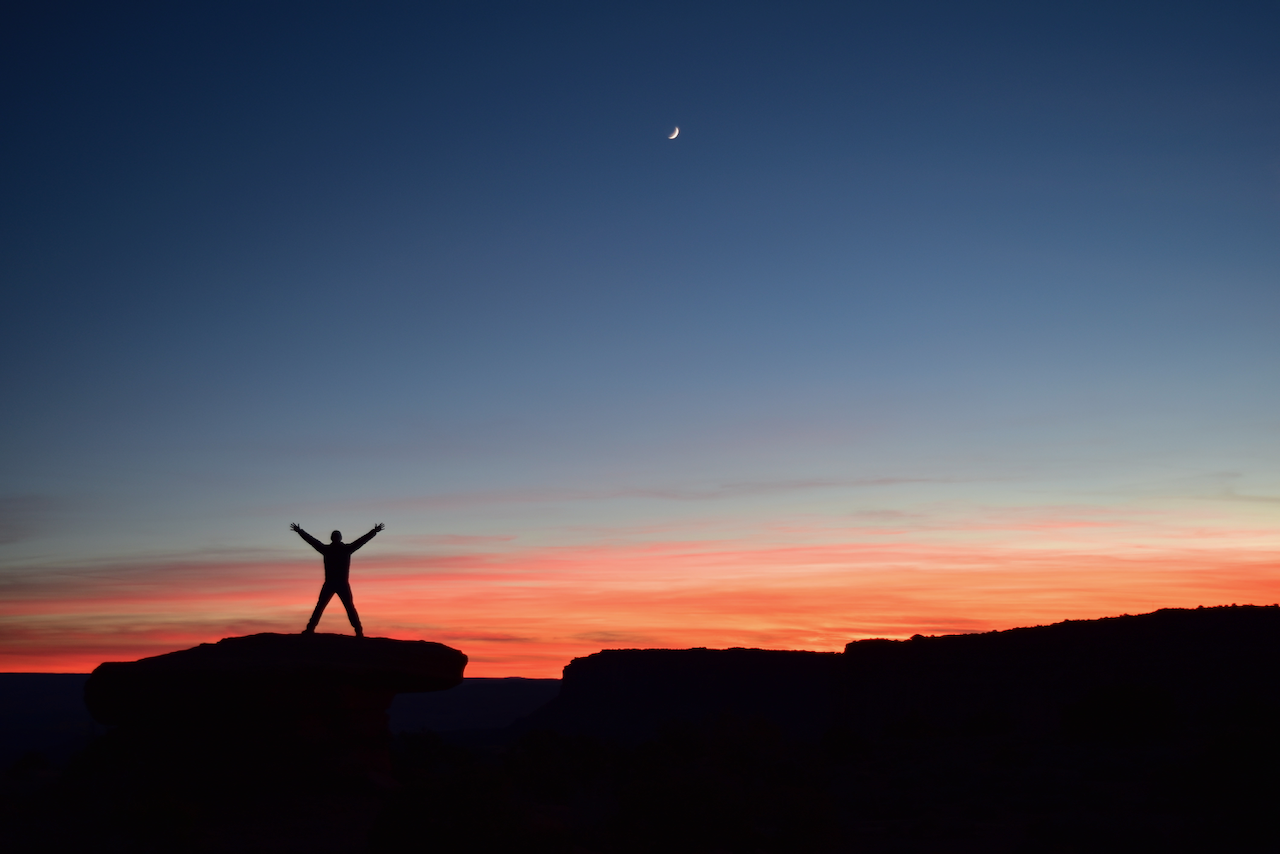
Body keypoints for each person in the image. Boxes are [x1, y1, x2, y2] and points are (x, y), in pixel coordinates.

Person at [290, 522, 384, 637]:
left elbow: (361, 541)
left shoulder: (334, 549)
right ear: (337, 538)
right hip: (335, 583)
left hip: (337, 583)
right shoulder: (341, 549)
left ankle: (357, 631)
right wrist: (374, 532)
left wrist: (373, 532)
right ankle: (357, 631)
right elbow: (312, 541)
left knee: (332, 606)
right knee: (336, 607)